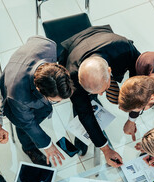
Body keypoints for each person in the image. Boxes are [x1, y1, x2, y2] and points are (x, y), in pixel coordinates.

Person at [59, 25, 140, 167]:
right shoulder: (72, 74)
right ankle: (82, 138)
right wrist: (106, 149)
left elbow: (140, 86)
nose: (101, 94)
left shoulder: (125, 49)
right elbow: (85, 113)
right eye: (96, 92)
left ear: (110, 71)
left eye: (102, 90)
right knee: (81, 105)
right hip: (74, 47)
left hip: (104, 38)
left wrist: (132, 118)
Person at [0, 36, 74, 167]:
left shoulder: (48, 46)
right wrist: (47, 145)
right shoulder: (19, 97)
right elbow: (28, 123)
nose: (58, 102)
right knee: (24, 127)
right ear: (39, 90)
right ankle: (28, 148)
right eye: (54, 101)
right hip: (11, 98)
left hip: (23, 67)